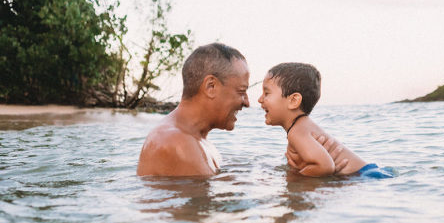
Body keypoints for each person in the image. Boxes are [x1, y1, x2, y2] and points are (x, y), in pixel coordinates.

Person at [258, 62, 393, 178]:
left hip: (365, 177)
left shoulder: (296, 132)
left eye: (267, 93)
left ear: (293, 100)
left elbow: (325, 166)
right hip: (370, 172)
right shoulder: (302, 126)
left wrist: (296, 177)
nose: (260, 99)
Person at [136, 42, 250, 176]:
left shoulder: (196, 140)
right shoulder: (176, 142)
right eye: (241, 91)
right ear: (211, 87)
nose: (247, 103)